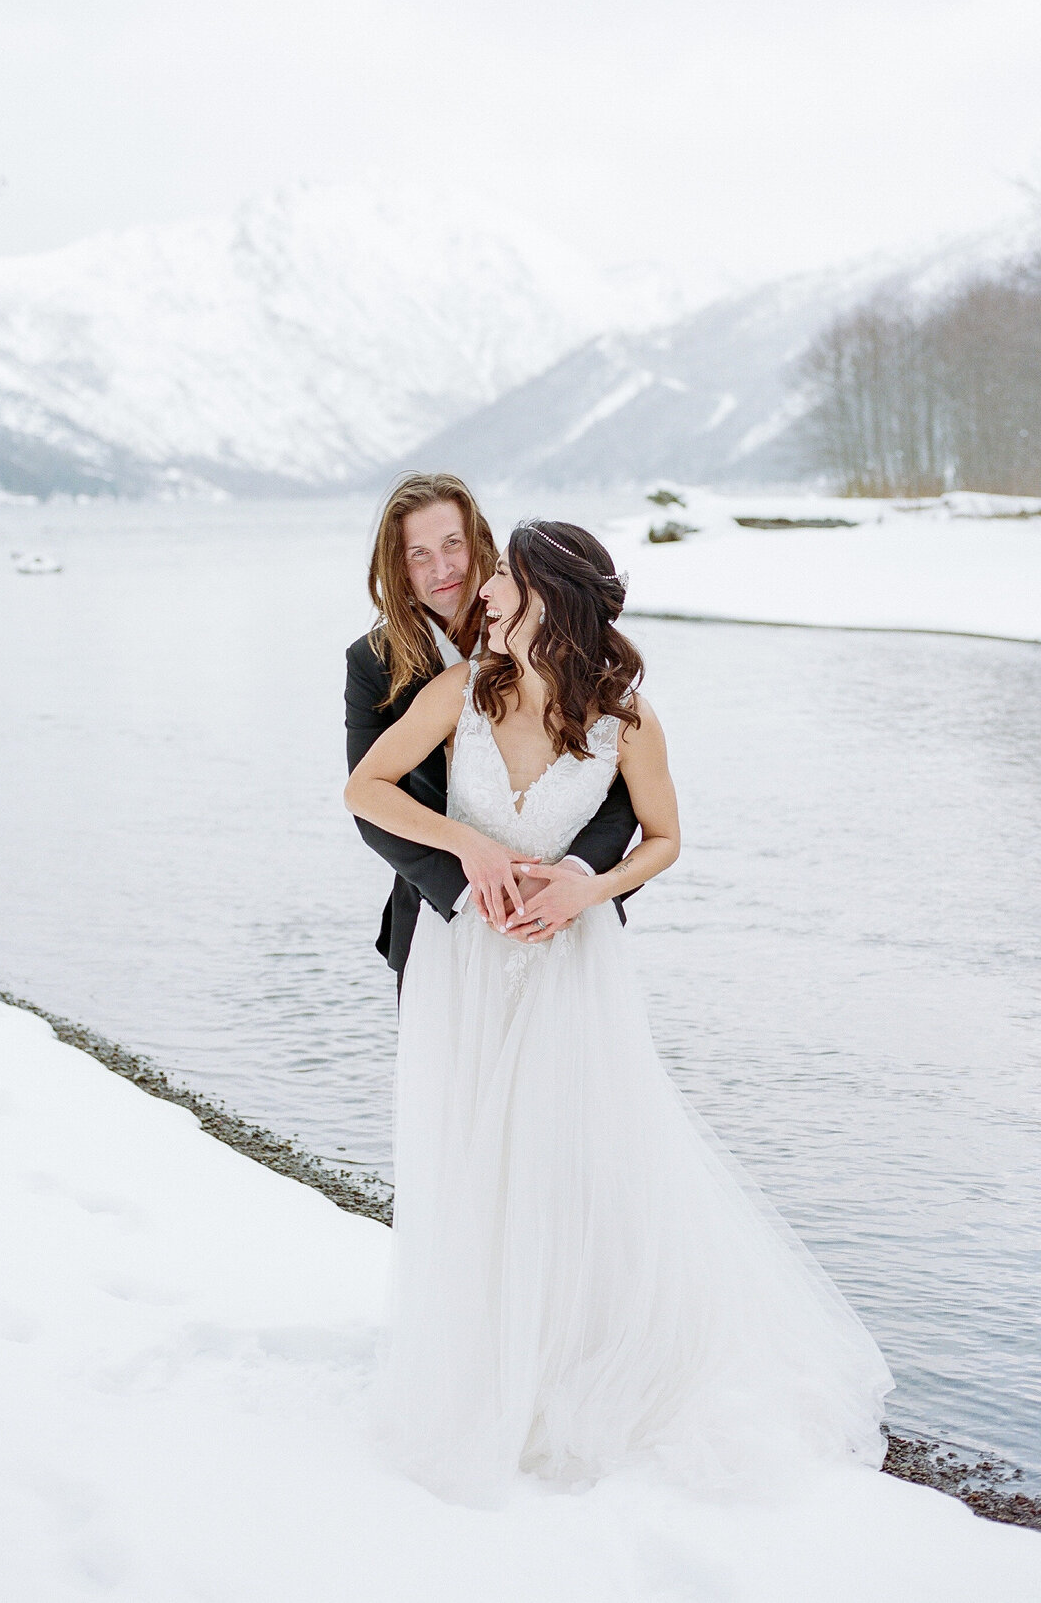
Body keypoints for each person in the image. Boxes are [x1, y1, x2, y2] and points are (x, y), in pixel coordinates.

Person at [345, 518, 894, 1508]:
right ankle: (479, 1357)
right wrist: (467, 852)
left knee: (571, 1155)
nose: (485, 590)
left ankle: (574, 1356)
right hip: (463, 961)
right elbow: (366, 785)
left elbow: (665, 838)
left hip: (568, 964)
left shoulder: (625, 718)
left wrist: (584, 891)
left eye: (504, 577)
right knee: (470, 1149)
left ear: (550, 593)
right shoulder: (456, 691)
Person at [344, 473, 640, 995]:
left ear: (480, 541)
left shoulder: (557, 626)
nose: (443, 569)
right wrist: (473, 887)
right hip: (440, 917)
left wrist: (576, 877)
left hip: (566, 918)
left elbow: (618, 791)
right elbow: (370, 805)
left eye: (452, 544)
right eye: (418, 554)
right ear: (396, 568)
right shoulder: (373, 662)